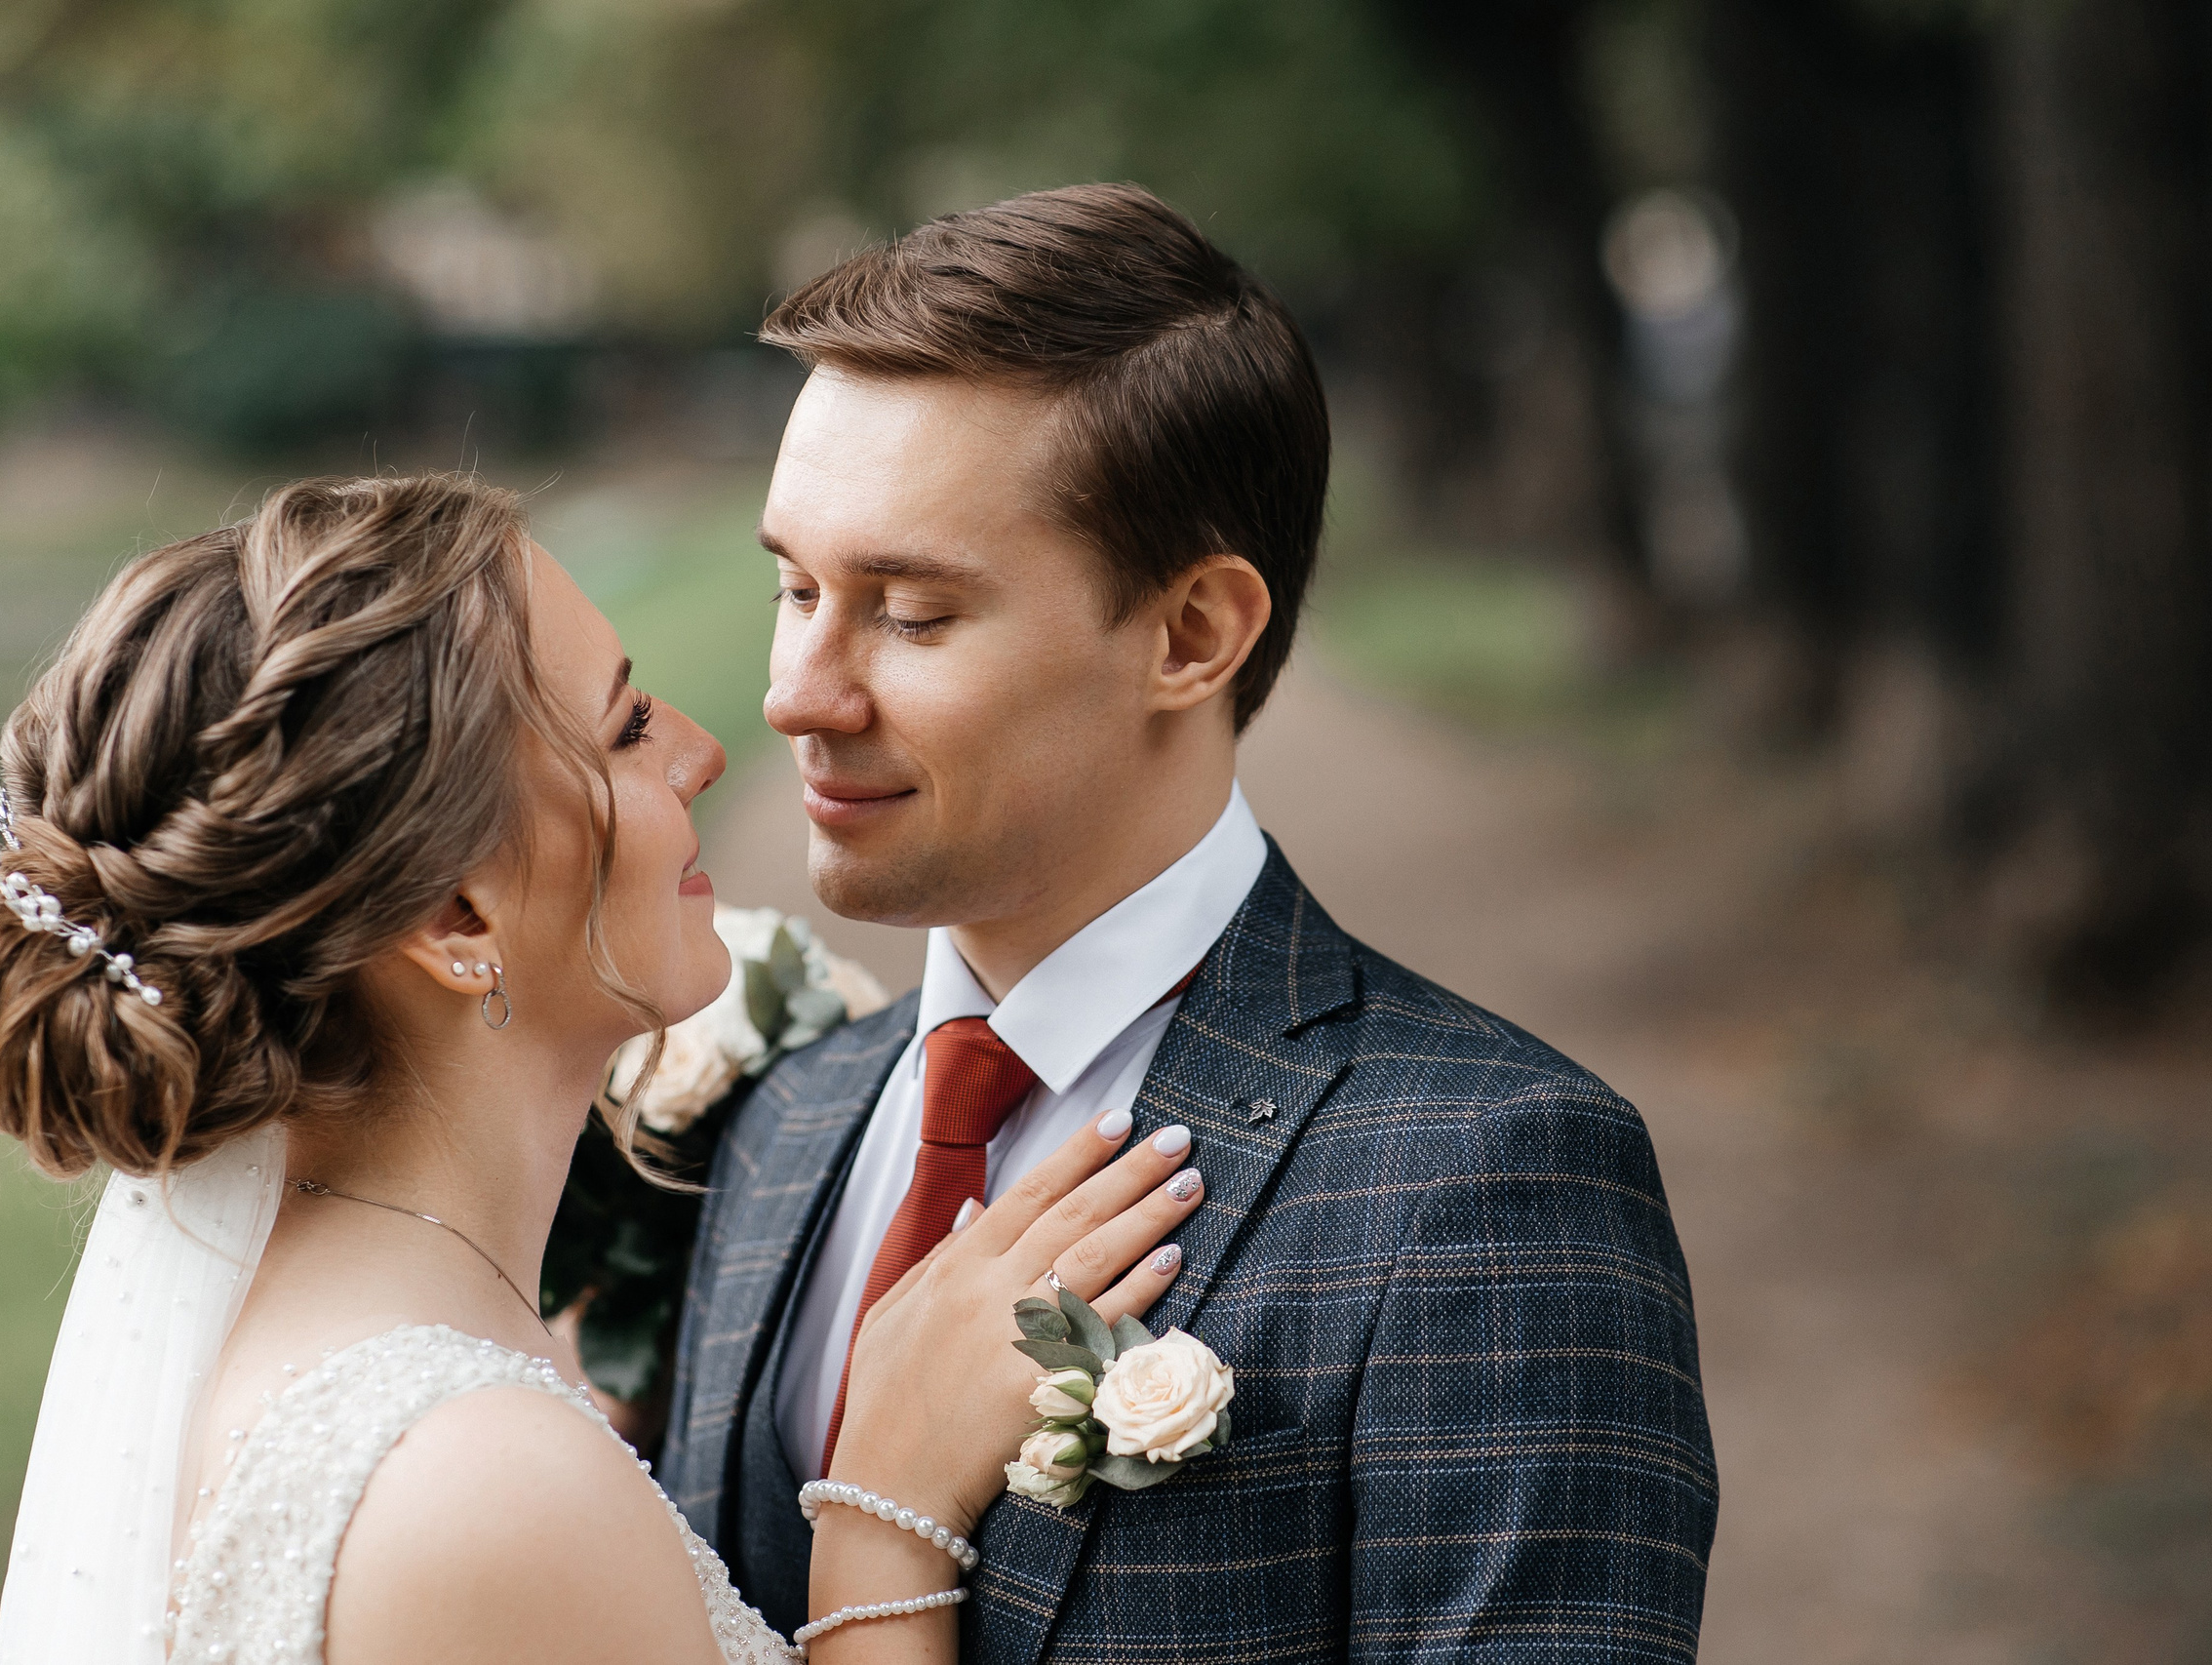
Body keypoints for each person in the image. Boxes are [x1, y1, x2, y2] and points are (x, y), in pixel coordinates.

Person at [0, 473, 1212, 1663]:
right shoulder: (477, 1483)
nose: (701, 750)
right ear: (455, 921)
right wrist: (883, 1527)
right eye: (626, 726)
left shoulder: (381, 1360)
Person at [662, 184, 1720, 1661]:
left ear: (1192, 634)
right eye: (794, 589)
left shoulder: (1484, 1182)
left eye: (910, 615)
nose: (798, 696)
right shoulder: (782, 1126)